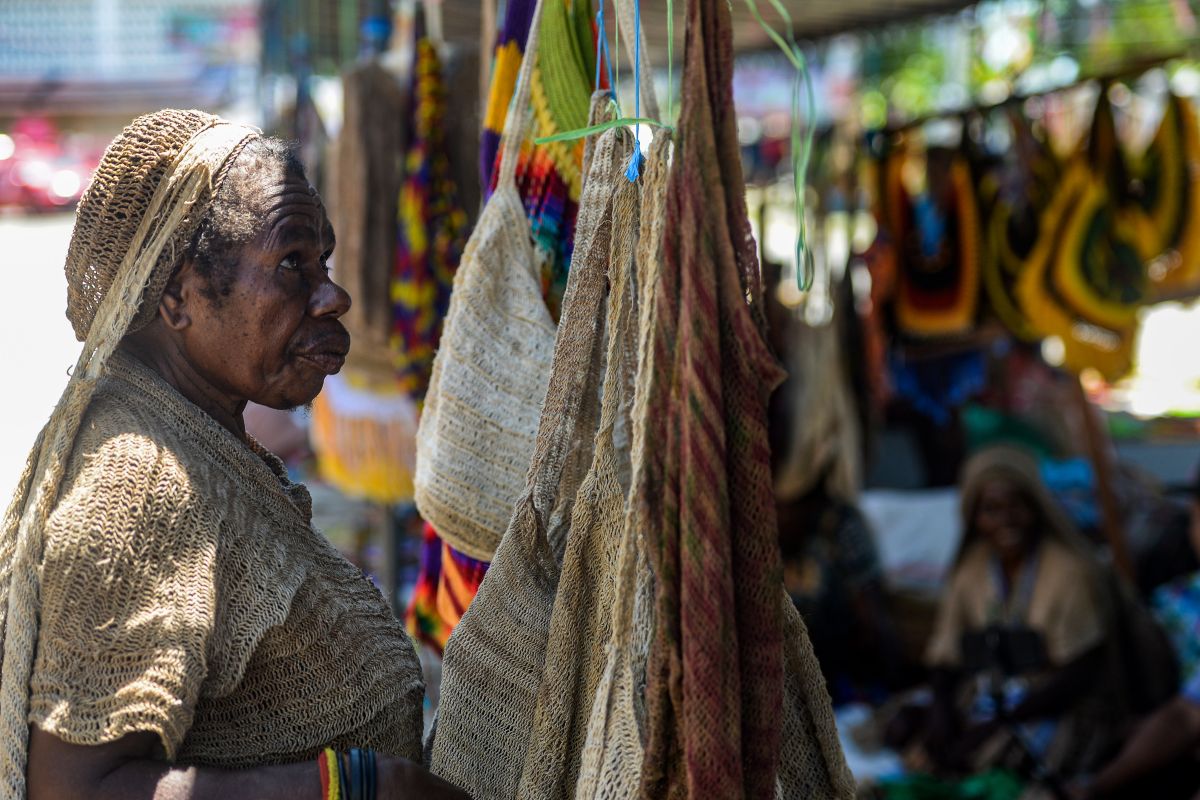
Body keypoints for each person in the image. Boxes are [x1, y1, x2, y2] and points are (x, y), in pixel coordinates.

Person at [0, 110, 467, 798]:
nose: (333, 296)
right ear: (176, 298)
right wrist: (361, 787)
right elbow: (76, 789)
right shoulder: (142, 482)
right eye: (292, 266)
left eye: (324, 263)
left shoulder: (196, 437)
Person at [923, 445, 1124, 781]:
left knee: (1000, 757)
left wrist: (1004, 721)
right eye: (991, 509)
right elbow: (945, 656)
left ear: (1036, 507)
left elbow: (1081, 672)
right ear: (974, 518)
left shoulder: (1068, 570)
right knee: (920, 736)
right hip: (994, 692)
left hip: (1053, 702)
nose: (1006, 520)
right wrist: (940, 712)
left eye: (1017, 505)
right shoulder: (971, 569)